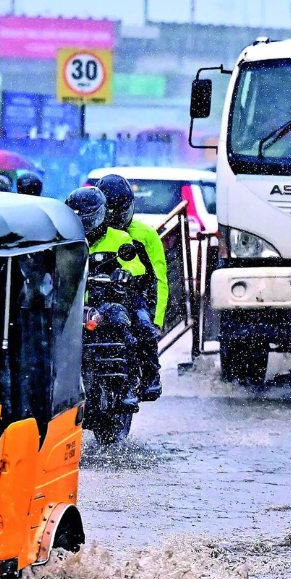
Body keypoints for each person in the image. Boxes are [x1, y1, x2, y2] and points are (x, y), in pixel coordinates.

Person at [65, 187, 141, 410]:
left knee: (120, 321)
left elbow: (135, 264)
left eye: (88, 218)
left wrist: (125, 273)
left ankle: (128, 386)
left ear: (101, 215)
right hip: (69, 304)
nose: (85, 223)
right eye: (78, 218)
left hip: (103, 303)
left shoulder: (119, 238)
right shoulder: (67, 239)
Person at [98, 174, 167, 401]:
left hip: (134, 295)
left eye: (119, 212)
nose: (115, 218)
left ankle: (150, 377)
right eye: (109, 212)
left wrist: (156, 319)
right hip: (98, 297)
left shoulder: (146, 235)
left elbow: (159, 279)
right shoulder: (92, 233)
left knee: (143, 328)